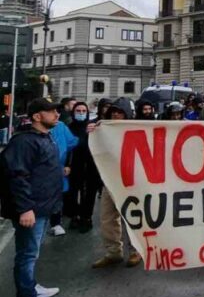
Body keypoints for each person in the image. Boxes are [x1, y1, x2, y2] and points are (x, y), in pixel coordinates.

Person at [1, 98, 64, 297]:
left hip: (42, 206)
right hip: (32, 208)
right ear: (37, 116)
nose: (57, 115)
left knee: (32, 252)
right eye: (51, 111)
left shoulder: (44, 137)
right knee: (27, 254)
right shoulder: (24, 141)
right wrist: (25, 208)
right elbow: (17, 176)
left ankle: (31, 286)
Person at [91, 97, 142, 269]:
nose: (116, 115)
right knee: (107, 217)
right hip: (110, 179)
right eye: (113, 112)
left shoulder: (136, 129)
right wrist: (92, 132)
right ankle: (113, 252)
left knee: (132, 218)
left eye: (120, 112)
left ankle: (135, 251)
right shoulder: (102, 128)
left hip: (131, 181)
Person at [66, 102, 98, 233]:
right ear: (73, 112)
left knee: (89, 193)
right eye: (78, 111)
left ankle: (87, 218)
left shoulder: (92, 127)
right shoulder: (68, 128)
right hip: (73, 166)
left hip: (90, 166)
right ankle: (75, 216)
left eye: (83, 111)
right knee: (73, 192)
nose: (81, 113)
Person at [48, 118, 79, 236]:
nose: (55, 115)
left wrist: (68, 165)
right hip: (39, 172)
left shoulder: (61, 127)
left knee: (57, 196)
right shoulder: (29, 130)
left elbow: (71, 145)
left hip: (58, 169)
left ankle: (55, 223)